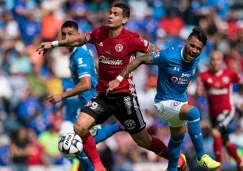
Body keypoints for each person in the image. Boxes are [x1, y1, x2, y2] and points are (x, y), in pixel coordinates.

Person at [36, 3, 188, 171]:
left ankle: (176, 158)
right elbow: (79, 39)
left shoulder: (131, 39)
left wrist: (169, 68)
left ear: (125, 19)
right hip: (103, 96)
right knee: (79, 127)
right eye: (110, 13)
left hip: (125, 97)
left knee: (143, 140)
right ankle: (99, 167)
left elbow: (155, 51)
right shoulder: (100, 33)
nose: (110, 16)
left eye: (115, 14)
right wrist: (54, 43)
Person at [107, 27, 221, 171]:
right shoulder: (168, 55)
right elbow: (141, 59)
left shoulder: (196, 58)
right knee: (194, 113)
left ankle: (171, 168)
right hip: (164, 103)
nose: (194, 50)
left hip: (179, 102)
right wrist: (118, 78)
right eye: (191, 46)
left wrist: (187, 82)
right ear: (185, 42)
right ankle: (201, 156)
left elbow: (187, 73)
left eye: (198, 48)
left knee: (177, 140)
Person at [48, 21, 126, 171]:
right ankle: (118, 127)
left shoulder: (80, 56)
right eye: (64, 35)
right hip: (76, 114)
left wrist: (62, 96)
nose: (66, 38)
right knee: (82, 144)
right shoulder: (77, 56)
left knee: (82, 143)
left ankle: (118, 127)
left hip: (91, 104)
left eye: (70, 35)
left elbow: (86, 84)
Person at [197, 50, 243, 171]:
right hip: (213, 114)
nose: (215, 62)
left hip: (228, 111)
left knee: (216, 132)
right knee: (225, 141)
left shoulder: (230, 74)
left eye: (218, 59)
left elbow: (241, 81)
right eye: (213, 59)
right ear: (210, 61)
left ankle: (218, 166)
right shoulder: (204, 76)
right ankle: (239, 161)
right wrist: (198, 92)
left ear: (222, 61)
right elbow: (198, 90)